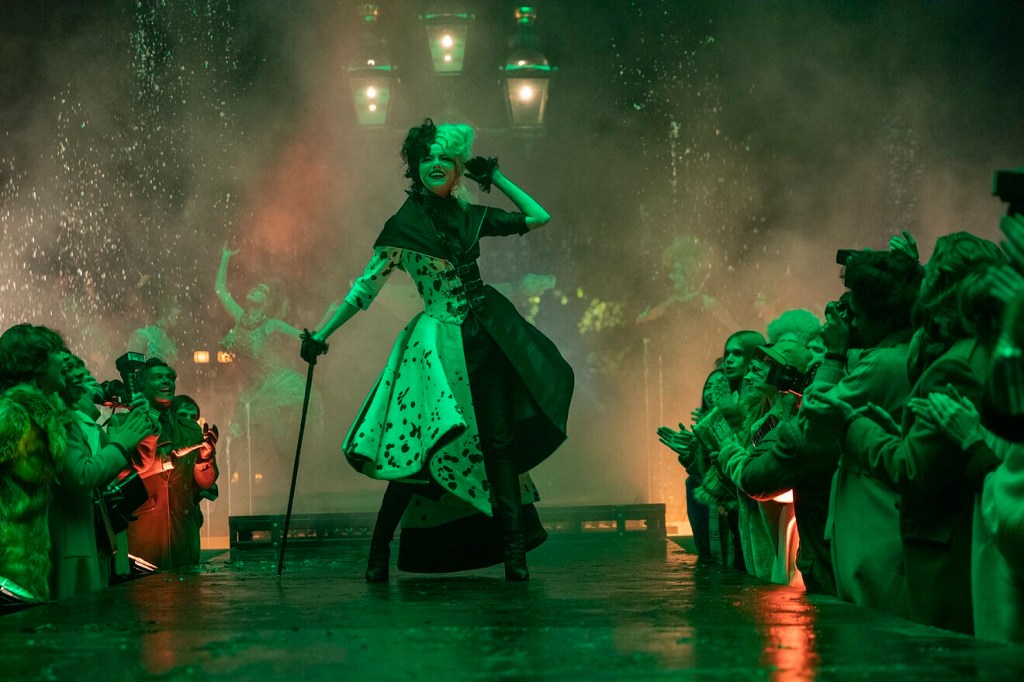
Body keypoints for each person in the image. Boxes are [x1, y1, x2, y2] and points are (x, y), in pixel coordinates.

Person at [306, 118, 573, 581]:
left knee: (499, 445)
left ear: (457, 168)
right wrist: (322, 334)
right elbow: (363, 289)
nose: (435, 164)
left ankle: (515, 554)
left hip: (487, 339)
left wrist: (496, 177)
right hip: (437, 349)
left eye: (446, 158)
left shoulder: (469, 216)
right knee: (423, 452)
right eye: (427, 157)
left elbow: (538, 216)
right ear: (415, 166)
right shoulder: (402, 226)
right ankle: (379, 549)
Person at [803, 232, 1005, 634]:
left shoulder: (954, 364)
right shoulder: (979, 352)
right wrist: (893, 431)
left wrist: (850, 422)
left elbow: (911, 469)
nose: (923, 284)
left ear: (945, 287)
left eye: (932, 274)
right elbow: (939, 453)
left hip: (924, 550)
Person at [118, 359, 218, 570]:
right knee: (144, 589)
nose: (167, 381)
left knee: (187, 587)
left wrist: (204, 459)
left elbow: (205, 483)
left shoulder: (191, 429)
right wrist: (164, 460)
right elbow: (118, 474)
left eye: (170, 378)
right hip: (143, 536)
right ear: (141, 386)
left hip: (184, 535)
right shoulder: (123, 424)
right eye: (158, 377)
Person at [0, 324, 74, 605]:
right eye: (56, 351)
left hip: (28, 567)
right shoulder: (12, 414)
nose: (64, 358)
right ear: (35, 362)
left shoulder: (41, 418)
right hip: (7, 573)